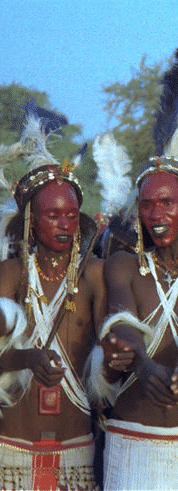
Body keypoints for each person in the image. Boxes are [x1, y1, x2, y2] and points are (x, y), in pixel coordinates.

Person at [88, 49, 178, 490]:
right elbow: (122, 319)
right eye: (147, 204)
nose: (155, 213)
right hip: (130, 436)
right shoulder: (123, 264)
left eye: (167, 202)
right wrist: (145, 366)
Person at [0, 114, 105, 489]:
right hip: (11, 453)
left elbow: (112, 354)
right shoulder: (10, 275)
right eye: (52, 215)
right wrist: (26, 358)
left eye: (72, 215)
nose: (64, 223)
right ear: (31, 219)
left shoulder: (94, 276)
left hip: (76, 455)